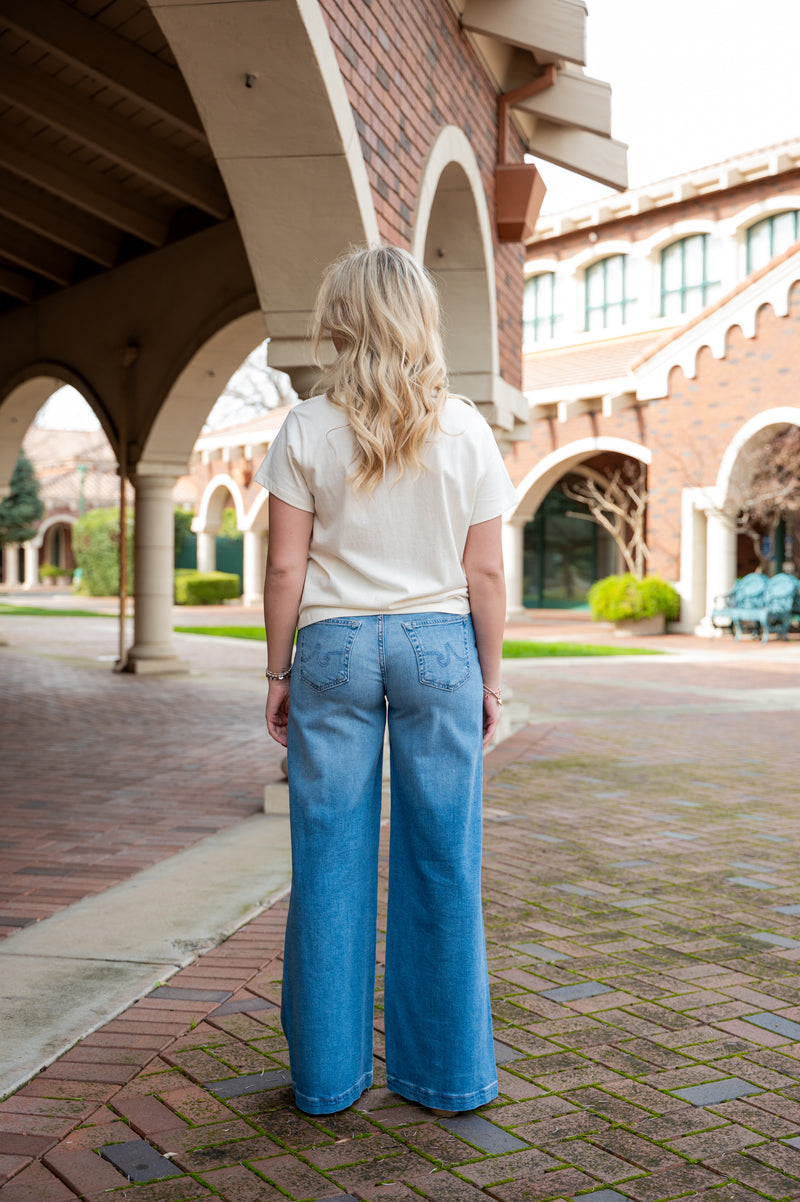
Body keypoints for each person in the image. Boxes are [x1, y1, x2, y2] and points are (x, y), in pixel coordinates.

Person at [255, 245, 518, 1118]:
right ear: (418, 318)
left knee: (327, 859)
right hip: (442, 642)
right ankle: (447, 1078)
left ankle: (328, 1082)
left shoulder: (304, 426)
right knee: (443, 856)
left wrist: (276, 670)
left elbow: (286, 569)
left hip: (331, 644)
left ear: (342, 319)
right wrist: (491, 678)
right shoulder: (466, 426)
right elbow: (485, 576)